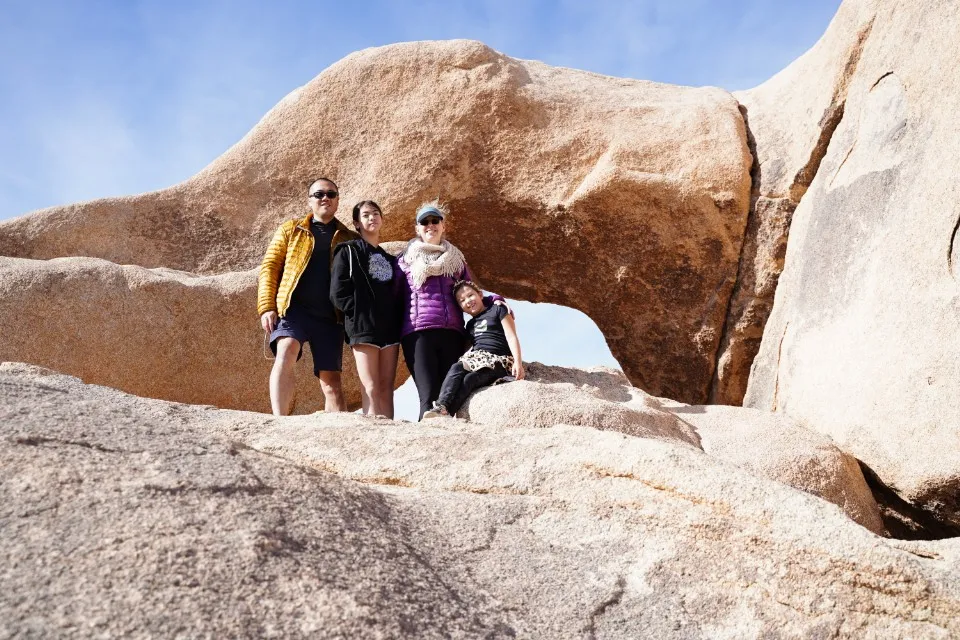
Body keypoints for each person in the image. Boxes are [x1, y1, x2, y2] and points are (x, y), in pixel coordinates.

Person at [395, 200, 507, 420]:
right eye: (424, 222)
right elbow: (394, 296)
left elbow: (472, 293)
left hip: (452, 333)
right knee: (427, 397)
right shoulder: (404, 261)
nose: (430, 225)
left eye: (435, 220)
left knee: (448, 395)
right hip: (418, 334)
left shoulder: (456, 261)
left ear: (443, 226)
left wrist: (496, 299)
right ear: (417, 229)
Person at [257, 178, 359, 415]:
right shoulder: (291, 229)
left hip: (330, 316)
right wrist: (266, 306)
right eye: (319, 194)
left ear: (337, 200)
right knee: (286, 351)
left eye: (331, 194)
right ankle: (279, 421)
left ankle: (337, 433)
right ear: (309, 200)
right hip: (295, 310)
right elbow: (270, 266)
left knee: (331, 381)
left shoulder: (349, 238)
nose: (325, 198)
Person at [330, 200, 401, 418]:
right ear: (356, 223)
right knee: (370, 386)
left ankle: (391, 432)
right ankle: (374, 429)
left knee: (386, 387)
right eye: (367, 215)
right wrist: (357, 311)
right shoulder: (348, 251)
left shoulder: (390, 258)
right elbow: (337, 292)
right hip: (363, 326)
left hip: (390, 327)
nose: (372, 218)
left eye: (376, 214)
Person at [423, 280, 524, 419]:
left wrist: (518, 363)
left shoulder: (498, 309)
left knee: (459, 368)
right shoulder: (470, 325)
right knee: (467, 378)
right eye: (462, 300)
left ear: (480, 295)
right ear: (461, 307)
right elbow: (463, 349)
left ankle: (441, 406)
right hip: (481, 363)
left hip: (499, 361)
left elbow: (511, 336)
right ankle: (445, 413)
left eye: (470, 295)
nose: (468, 301)